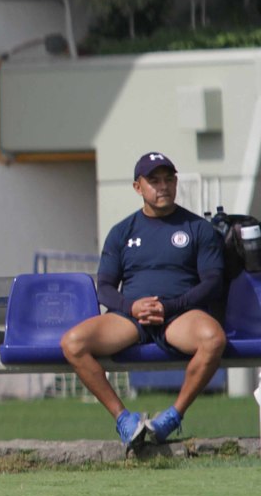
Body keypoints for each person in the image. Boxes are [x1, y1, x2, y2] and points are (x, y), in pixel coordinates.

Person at [60, 152, 226, 449]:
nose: (163, 186)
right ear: (138, 187)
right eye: (154, 181)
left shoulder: (198, 228)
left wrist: (170, 306)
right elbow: (105, 288)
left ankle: (172, 417)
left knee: (213, 339)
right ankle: (124, 420)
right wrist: (131, 307)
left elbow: (213, 282)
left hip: (180, 316)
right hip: (130, 318)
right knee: (73, 343)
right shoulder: (121, 231)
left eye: (168, 180)